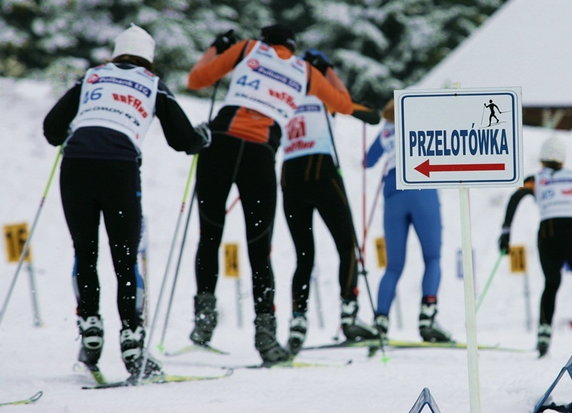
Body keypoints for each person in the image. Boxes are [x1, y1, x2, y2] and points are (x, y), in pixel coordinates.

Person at [43, 24, 209, 379]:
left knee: (85, 252)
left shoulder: (91, 77)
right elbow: (182, 140)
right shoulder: (153, 83)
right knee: (125, 257)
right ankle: (133, 344)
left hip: (76, 165)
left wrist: (71, 134)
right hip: (118, 169)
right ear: (148, 59)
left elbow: (52, 128)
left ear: (115, 53)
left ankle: (90, 330)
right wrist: (201, 139)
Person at [186, 24, 353, 363]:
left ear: (265, 40)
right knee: (259, 248)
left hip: (220, 143)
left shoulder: (248, 49)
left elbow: (197, 80)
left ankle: (204, 319)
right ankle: (265, 337)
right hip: (259, 154)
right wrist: (328, 71)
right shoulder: (305, 70)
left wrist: (217, 48)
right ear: (293, 46)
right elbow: (344, 104)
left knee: (210, 235)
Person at [281, 49, 381, 354]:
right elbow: (365, 112)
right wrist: (329, 69)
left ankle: (298, 321)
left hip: (290, 176)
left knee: (304, 255)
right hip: (321, 172)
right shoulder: (324, 94)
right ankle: (349, 313)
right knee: (346, 244)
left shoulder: (283, 96)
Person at [365, 99, 451, 343]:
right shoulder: (422, 122)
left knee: (393, 266)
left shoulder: (386, 130)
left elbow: (367, 161)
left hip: (393, 194)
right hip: (422, 186)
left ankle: (380, 320)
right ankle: (427, 316)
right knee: (432, 257)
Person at [498, 135, 572, 357]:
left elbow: (516, 198)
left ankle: (544, 330)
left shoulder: (536, 179)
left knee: (551, 283)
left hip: (549, 236)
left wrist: (505, 232)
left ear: (542, 159)